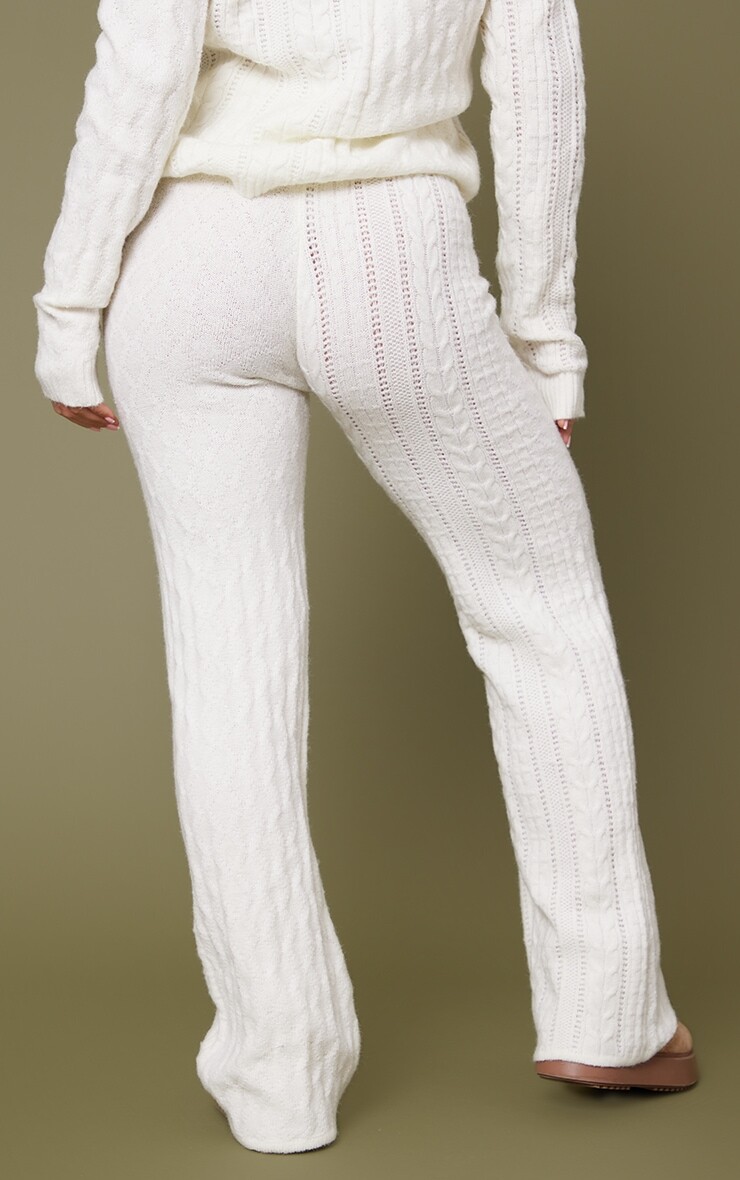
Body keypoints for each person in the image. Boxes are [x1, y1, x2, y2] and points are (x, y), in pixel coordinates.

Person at [31, 0, 698, 1156]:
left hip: (181, 262)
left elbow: (143, 62)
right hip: (389, 249)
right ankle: (608, 1013)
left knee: (228, 663)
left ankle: (276, 1071)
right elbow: (536, 89)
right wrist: (543, 340)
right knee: (538, 610)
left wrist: (70, 304)